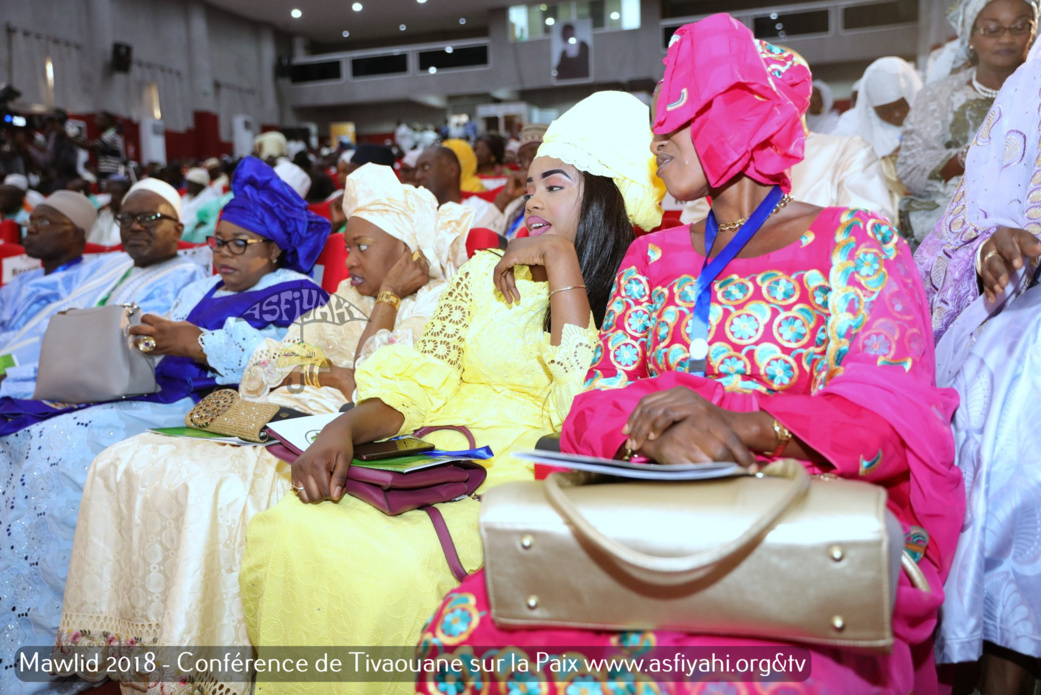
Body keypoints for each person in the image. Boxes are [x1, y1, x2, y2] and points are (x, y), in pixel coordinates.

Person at [414, 16, 962, 695]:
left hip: (798, 518)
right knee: (462, 631)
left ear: (737, 117)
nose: (655, 140)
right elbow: (588, 407)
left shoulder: (853, 245)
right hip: (648, 506)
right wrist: (659, 424)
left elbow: (887, 418)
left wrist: (740, 423)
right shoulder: (652, 258)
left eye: (676, 116)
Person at [237, 90, 663, 695]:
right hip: (429, 456)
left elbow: (582, 416)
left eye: (555, 184)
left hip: (525, 473)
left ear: (606, 198)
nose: (532, 199)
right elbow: (419, 382)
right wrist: (346, 427)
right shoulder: (480, 279)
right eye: (531, 183)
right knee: (288, 531)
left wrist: (563, 266)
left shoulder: (638, 285)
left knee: (392, 571)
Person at [55, 163, 473, 695]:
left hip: (336, 429)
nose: (351, 258)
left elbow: (374, 381)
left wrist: (388, 298)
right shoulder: (344, 295)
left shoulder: (433, 304)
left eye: (364, 245)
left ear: (407, 248)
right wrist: (320, 367)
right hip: (286, 414)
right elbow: (289, 357)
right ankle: (144, 660)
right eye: (349, 244)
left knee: (217, 494)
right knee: (126, 460)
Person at [0, 157, 330, 695]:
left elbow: (287, 358)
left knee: (59, 445)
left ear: (274, 249)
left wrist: (196, 344)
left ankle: (50, 638)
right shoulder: (200, 289)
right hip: (156, 395)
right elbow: (162, 343)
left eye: (239, 244)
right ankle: (23, 626)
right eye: (218, 242)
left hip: (210, 410)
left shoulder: (295, 293)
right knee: (24, 436)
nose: (222, 254)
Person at [913, 41, 1041, 694]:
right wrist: (995, 243)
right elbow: (970, 221)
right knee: (1007, 413)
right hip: (1030, 311)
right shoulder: (1030, 84)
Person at [0, 178, 207, 399]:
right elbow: (45, 301)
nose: (135, 226)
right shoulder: (113, 262)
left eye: (148, 218)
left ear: (177, 230)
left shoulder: (186, 277)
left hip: (90, 384)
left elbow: (130, 350)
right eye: (126, 219)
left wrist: (16, 373)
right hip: (33, 360)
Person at [898, 0, 1038, 242]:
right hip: (956, 219)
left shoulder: (1036, 91)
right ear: (970, 36)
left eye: (1019, 27)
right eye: (992, 29)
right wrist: (974, 156)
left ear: (1034, 30)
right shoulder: (938, 96)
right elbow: (911, 167)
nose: (1006, 39)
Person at [834, 57, 922, 239]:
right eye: (885, 110)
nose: (896, 114)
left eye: (901, 105)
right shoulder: (850, 127)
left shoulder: (932, 119)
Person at [0, 191, 96, 354]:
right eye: (30, 222)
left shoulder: (85, 283)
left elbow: (35, 344)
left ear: (76, 234)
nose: (31, 230)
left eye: (43, 222)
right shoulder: (24, 279)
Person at [415, 146, 505, 231]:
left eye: (426, 167)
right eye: (416, 170)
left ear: (452, 170)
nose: (417, 176)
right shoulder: (415, 215)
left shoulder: (480, 211)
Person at [496, 124, 548, 238]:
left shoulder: (558, 206)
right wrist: (504, 199)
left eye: (535, 157)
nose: (527, 166)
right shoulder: (518, 200)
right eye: (521, 160)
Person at [87, 176, 130, 245]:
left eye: (114, 192)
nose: (109, 196)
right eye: (107, 191)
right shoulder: (104, 209)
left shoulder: (129, 213)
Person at [181, 166, 220, 232]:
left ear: (200, 185)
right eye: (188, 184)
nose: (188, 187)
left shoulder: (211, 198)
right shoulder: (187, 197)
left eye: (191, 184)